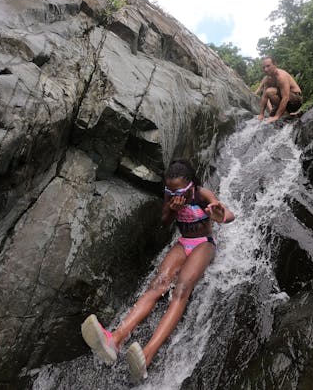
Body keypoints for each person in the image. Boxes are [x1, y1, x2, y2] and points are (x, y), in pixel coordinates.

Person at [81, 159, 235, 382]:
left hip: (204, 243)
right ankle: (114, 339)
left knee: (180, 290)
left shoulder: (202, 195)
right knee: (158, 284)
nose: (175, 194)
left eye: (180, 190)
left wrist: (220, 214)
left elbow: (228, 215)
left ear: (191, 185)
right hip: (184, 243)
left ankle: (147, 355)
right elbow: (165, 220)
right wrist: (172, 209)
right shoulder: (171, 195)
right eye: (170, 190)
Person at [257, 56, 303, 124]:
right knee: (267, 93)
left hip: (296, 100)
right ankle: (284, 113)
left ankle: (284, 113)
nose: (266, 69)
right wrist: (261, 114)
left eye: (268, 66)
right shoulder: (267, 79)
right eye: (264, 67)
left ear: (275, 64)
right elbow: (264, 96)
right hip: (284, 102)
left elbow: (285, 97)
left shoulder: (281, 76)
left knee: (270, 91)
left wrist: (277, 116)